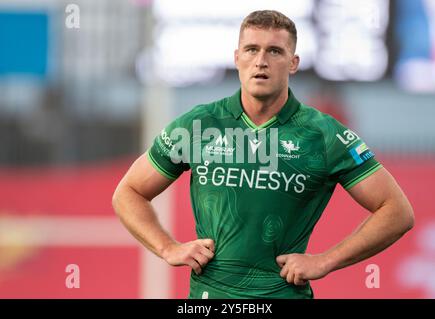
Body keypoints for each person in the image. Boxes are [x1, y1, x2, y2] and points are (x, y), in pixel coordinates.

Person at [112, 10, 414, 299]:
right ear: (236, 58)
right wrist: (167, 248)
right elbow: (129, 192)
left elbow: (397, 211)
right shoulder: (200, 125)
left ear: (293, 63)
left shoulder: (324, 135)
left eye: (274, 51)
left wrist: (325, 261)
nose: (261, 61)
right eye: (251, 49)